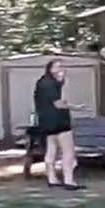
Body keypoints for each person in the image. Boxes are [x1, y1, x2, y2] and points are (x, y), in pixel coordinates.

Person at [34, 60, 84, 190]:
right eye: (58, 66)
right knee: (68, 150)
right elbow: (59, 103)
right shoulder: (51, 84)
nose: (62, 69)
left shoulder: (42, 82)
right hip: (59, 120)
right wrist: (77, 108)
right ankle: (69, 180)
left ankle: (52, 178)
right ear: (50, 69)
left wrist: (61, 81)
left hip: (46, 121)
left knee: (51, 150)